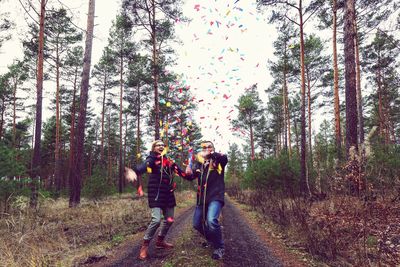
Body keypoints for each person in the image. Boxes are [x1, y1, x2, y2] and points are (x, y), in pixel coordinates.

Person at [127, 140, 190, 260]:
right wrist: (135, 171)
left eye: (163, 145)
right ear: (154, 148)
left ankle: (160, 241)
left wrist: (193, 174)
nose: (161, 146)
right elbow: (143, 166)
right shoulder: (151, 160)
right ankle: (144, 246)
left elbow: (182, 173)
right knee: (156, 220)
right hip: (156, 194)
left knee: (170, 220)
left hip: (168, 195)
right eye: (158, 145)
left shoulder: (169, 162)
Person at [185, 141, 228, 260]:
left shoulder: (218, 161)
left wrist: (211, 155)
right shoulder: (199, 164)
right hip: (202, 199)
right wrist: (187, 172)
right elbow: (191, 176)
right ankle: (212, 240)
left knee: (211, 221)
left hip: (215, 196)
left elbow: (224, 158)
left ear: (213, 148)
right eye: (204, 147)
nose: (207, 148)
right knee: (197, 224)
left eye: (209, 147)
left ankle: (219, 247)